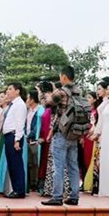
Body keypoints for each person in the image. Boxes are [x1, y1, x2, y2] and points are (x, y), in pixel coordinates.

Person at [42, 66, 82, 206]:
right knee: (73, 166)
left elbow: (47, 104)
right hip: (75, 133)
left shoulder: (62, 91)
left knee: (58, 166)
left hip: (62, 133)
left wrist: (44, 93)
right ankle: (74, 196)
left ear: (64, 77)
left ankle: (57, 196)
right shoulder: (78, 91)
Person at [1, 82, 27, 199]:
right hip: (9, 136)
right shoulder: (13, 104)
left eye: (10, 89)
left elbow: (20, 123)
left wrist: (17, 139)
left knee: (16, 164)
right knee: (11, 164)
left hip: (14, 136)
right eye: (7, 89)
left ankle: (19, 190)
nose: (7, 91)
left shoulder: (19, 104)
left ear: (17, 91)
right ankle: (15, 189)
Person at [26, 90, 44, 192]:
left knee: (36, 162)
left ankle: (37, 182)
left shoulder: (40, 110)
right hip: (27, 139)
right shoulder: (28, 111)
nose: (27, 100)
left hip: (35, 140)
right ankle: (32, 183)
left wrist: (30, 135)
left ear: (32, 99)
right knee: (30, 163)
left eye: (28, 98)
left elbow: (38, 126)